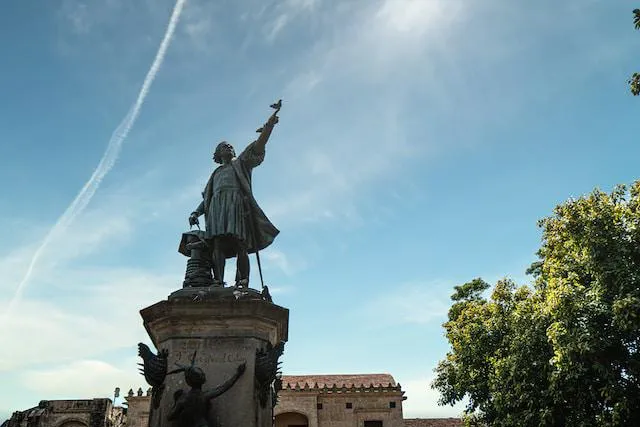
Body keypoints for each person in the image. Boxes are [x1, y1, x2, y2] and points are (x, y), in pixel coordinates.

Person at [188, 106, 280, 288]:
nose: (229, 147)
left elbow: (258, 147)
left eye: (230, 146)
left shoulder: (241, 164)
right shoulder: (216, 174)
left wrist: (268, 126)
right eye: (224, 146)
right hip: (216, 209)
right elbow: (207, 197)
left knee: (240, 244)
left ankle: (242, 280)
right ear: (217, 154)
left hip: (236, 205)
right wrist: (196, 213)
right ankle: (218, 280)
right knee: (218, 245)